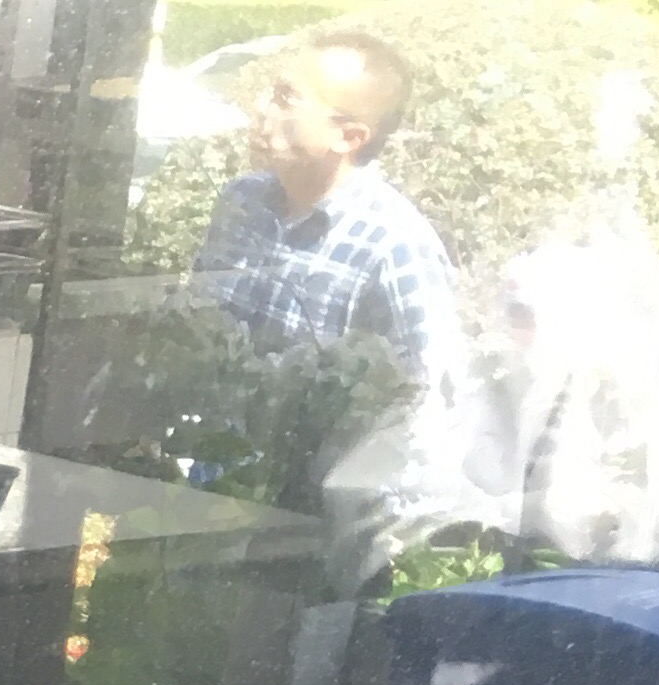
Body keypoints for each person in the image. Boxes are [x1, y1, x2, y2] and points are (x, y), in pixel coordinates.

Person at [192, 30, 464, 413]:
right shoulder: (241, 202)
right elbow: (196, 332)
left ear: (348, 137)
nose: (261, 107)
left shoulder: (393, 247)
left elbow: (427, 407)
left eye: (286, 99)